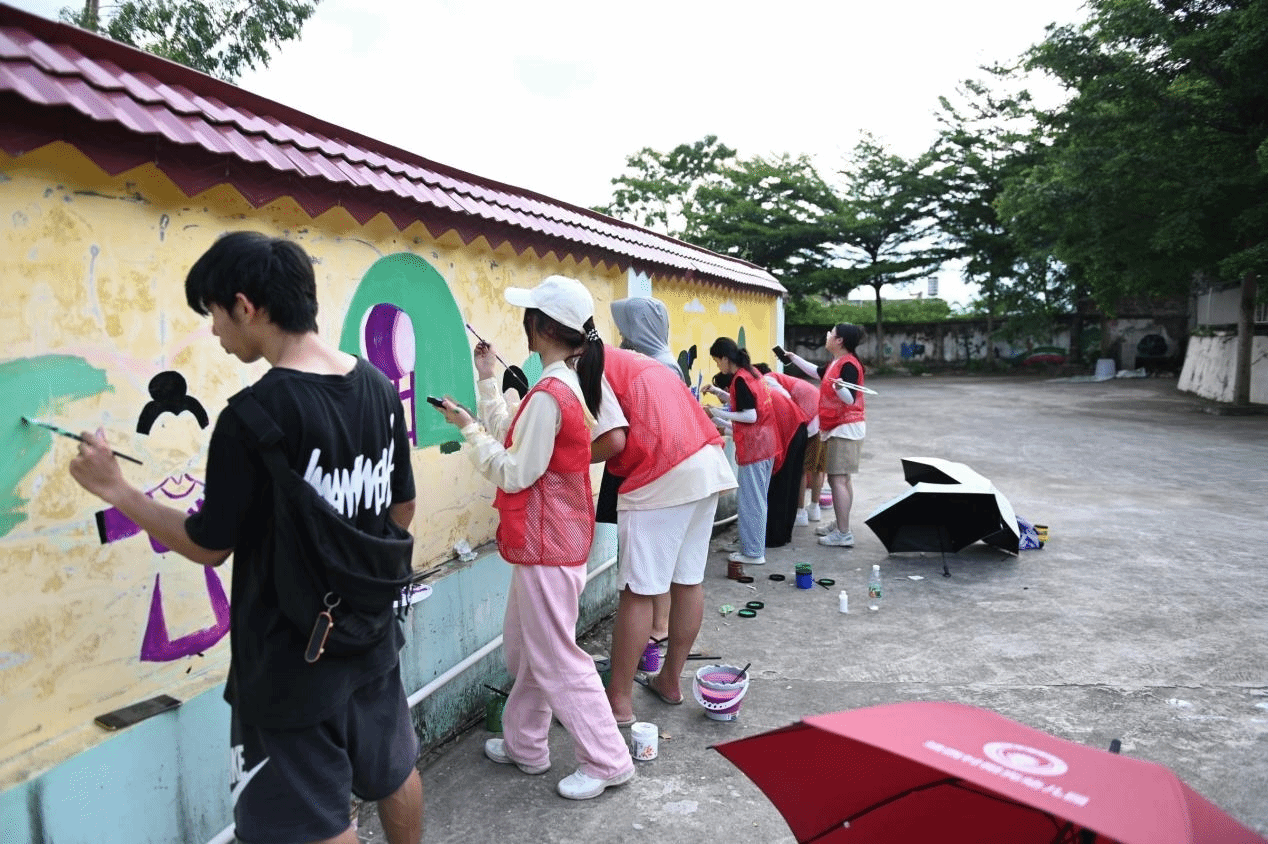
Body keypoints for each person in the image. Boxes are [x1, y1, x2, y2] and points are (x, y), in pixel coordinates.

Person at [67, 232, 423, 844]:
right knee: (392, 771)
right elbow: (403, 507)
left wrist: (118, 490)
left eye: (213, 314)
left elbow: (209, 545)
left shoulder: (251, 417)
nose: (214, 332)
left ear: (245, 306)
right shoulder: (378, 388)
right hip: (369, 634)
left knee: (311, 820)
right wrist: (349, 575)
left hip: (288, 659)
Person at [434, 274, 635, 801]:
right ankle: (526, 745)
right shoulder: (558, 385)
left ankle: (608, 759)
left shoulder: (551, 393)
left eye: (528, 316)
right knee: (527, 649)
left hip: (548, 542)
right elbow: (516, 437)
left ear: (541, 327)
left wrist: (467, 430)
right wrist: (485, 384)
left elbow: (515, 471)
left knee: (556, 658)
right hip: (547, 540)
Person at [591, 338, 736, 725]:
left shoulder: (591, 367)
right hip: (706, 463)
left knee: (638, 591)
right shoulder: (641, 361)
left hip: (662, 471)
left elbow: (612, 440)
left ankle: (619, 701)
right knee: (688, 580)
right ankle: (669, 680)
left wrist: (561, 455)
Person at [602, 297, 687, 651]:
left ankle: (658, 626)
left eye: (626, 328)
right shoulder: (657, 361)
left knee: (648, 564)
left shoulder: (660, 366)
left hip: (648, 471)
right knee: (646, 561)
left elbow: (657, 430)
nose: (622, 336)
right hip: (641, 465)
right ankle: (653, 624)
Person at [706, 338, 780, 566]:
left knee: (751, 502)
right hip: (766, 444)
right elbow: (745, 403)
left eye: (717, 361)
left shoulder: (740, 379)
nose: (718, 366)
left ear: (725, 359)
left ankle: (753, 553)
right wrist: (717, 392)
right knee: (757, 500)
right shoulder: (751, 373)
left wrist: (717, 412)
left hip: (755, 447)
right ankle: (753, 547)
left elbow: (750, 415)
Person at [813, 323, 867, 547]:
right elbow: (817, 372)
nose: (827, 335)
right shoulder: (836, 361)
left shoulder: (849, 365)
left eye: (831, 333)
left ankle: (843, 533)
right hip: (838, 427)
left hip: (845, 428)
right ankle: (841, 524)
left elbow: (850, 398)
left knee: (837, 480)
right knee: (843, 479)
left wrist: (839, 388)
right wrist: (792, 358)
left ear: (839, 340)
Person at [752, 363, 810, 547]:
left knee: (780, 484)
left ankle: (774, 537)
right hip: (798, 427)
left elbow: (752, 425)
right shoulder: (762, 387)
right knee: (790, 483)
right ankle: (784, 533)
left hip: (791, 431)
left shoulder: (754, 391)